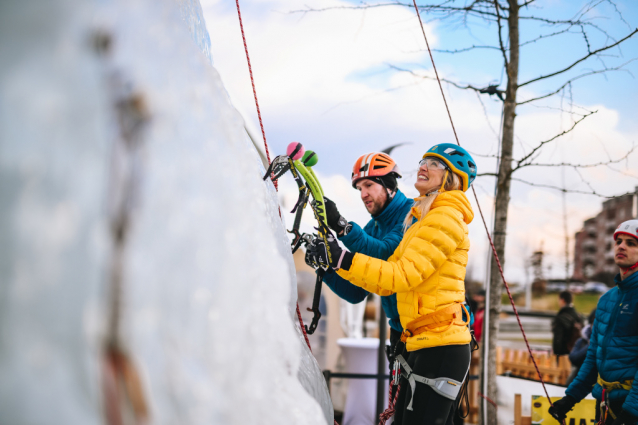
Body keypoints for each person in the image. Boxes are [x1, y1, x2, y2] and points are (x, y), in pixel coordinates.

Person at [306, 143, 477, 425]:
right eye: (423, 161)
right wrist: (328, 266)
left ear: (453, 176)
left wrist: (342, 239)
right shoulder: (420, 218)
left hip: (438, 341)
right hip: (412, 339)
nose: (423, 166)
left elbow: (396, 270)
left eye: (434, 164)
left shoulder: (437, 216)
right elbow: (371, 287)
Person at [315, 152, 413, 359]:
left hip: (427, 333)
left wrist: (342, 228)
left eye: (369, 185)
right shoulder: (372, 228)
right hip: (399, 332)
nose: (363, 194)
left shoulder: (412, 214)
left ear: (389, 185)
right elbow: (355, 292)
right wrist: (326, 268)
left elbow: (386, 252)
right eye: (360, 188)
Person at [548, 220, 638, 425]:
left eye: (632, 243)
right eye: (619, 242)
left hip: (631, 409)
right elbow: (593, 355)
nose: (621, 246)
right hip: (605, 404)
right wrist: (571, 398)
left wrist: (631, 413)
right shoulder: (606, 299)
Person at [566, 309, 596, 385]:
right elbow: (573, 358)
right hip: (582, 382)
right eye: (593, 322)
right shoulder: (582, 340)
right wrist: (590, 346)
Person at [552, 291, 583, 356]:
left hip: (564, 356)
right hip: (576, 354)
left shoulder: (560, 318)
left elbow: (557, 341)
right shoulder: (579, 317)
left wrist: (556, 355)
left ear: (562, 300)